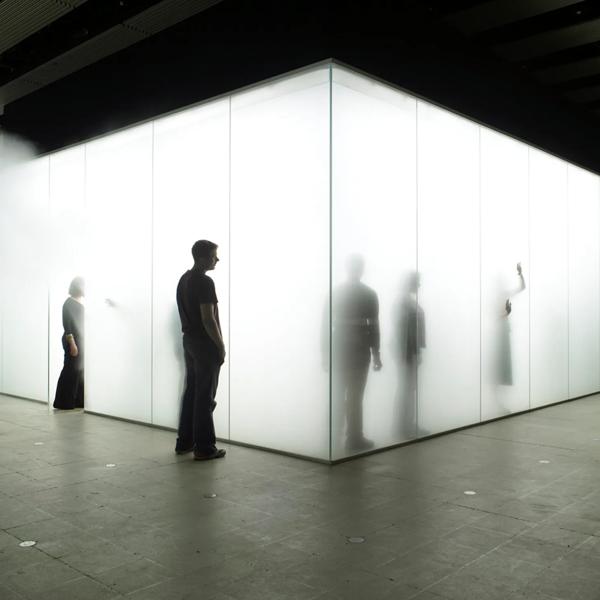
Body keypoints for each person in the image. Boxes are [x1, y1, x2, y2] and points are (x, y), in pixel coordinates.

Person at [175, 240, 226, 460]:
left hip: (189, 342)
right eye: (214, 256)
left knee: (192, 393)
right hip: (205, 345)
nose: (217, 259)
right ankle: (204, 448)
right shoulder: (205, 282)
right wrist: (220, 345)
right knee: (205, 397)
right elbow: (208, 319)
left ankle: (184, 442)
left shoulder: (184, 279)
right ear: (203, 258)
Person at [331, 255, 381, 452]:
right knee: (355, 396)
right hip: (360, 351)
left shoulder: (337, 292)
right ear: (361, 269)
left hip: (340, 349)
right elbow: (374, 326)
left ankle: (335, 434)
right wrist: (376, 354)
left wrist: (325, 353)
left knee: (339, 394)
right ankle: (353, 438)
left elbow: (327, 325)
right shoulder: (369, 294)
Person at [53, 277, 85, 410]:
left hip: (81, 341)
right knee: (70, 370)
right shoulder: (68, 303)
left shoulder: (80, 303)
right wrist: (72, 344)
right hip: (72, 341)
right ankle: (63, 402)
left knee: (79, 371)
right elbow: (68, 326)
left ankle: (77, 401)